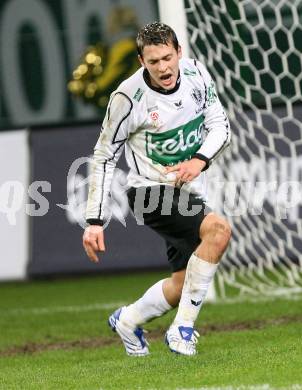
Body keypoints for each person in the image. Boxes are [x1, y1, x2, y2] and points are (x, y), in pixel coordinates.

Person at [83, 22, 231, 356]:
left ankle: (128, 319)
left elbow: (220, 125)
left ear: (179, 53)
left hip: (188, 188)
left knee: (182, 284)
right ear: (141, 61)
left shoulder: (196, 75)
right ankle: (182, 331)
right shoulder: (127, 97)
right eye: (154, 61)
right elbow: (105, 155)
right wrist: (95, 220)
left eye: (167, 57)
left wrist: (199, 160)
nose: (163, 67)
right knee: (219, 232)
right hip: (149, 193)